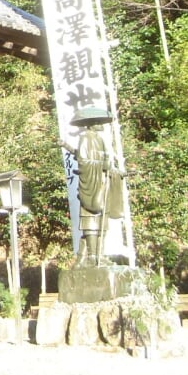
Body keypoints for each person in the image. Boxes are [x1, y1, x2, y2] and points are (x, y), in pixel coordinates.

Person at [63, 108, 124, 266]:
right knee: (90, 221)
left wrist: (113, 171)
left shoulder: (99, 139)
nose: (101, 125)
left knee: (102, 221)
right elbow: (83, 160)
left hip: (102, 183)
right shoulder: (86, 138)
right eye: (98, 123)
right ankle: (91, 256)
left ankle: (99, 255)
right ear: (92, 124)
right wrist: (102, 166)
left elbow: (105, 163)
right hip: (91, 183)